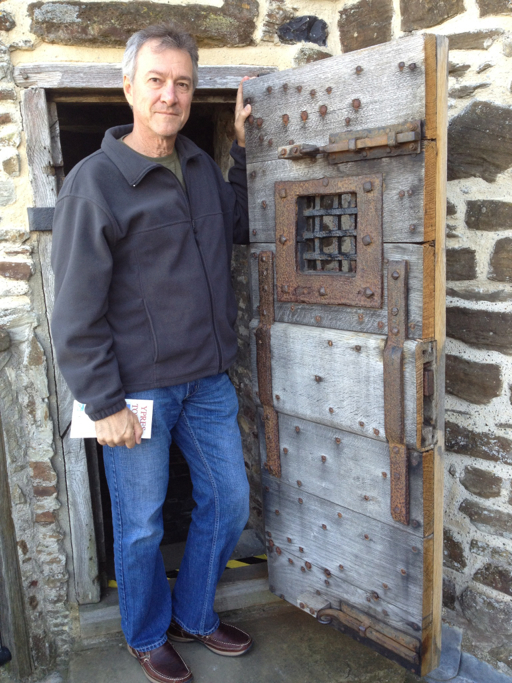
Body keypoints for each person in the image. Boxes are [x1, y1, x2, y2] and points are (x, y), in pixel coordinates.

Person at [51, 22, 254, 683]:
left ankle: (194, 613)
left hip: (208, 380)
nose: (171, 95)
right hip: (136, 389)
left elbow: (237, 226)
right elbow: (75, 309)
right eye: (157, 81)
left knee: (229, 502)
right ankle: (145, 633)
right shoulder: (95, 183)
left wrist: (242, 152)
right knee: (139, 525)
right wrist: (102, 401)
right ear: (128, 87)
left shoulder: (199, 168)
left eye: (183, 83)